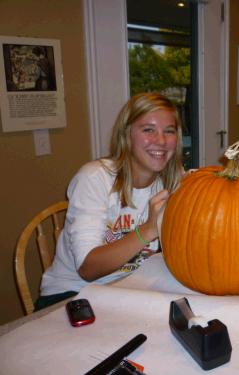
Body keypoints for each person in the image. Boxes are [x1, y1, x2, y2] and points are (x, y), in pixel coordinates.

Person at [36, 92, 184, 310]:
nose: (161, 141)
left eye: (169, 131)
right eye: (148, 130)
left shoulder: (173, 180)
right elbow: (87, 269)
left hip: (129, 288)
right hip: (71, 295)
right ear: (127, 135)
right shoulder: (94, 178)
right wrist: (149, 229)